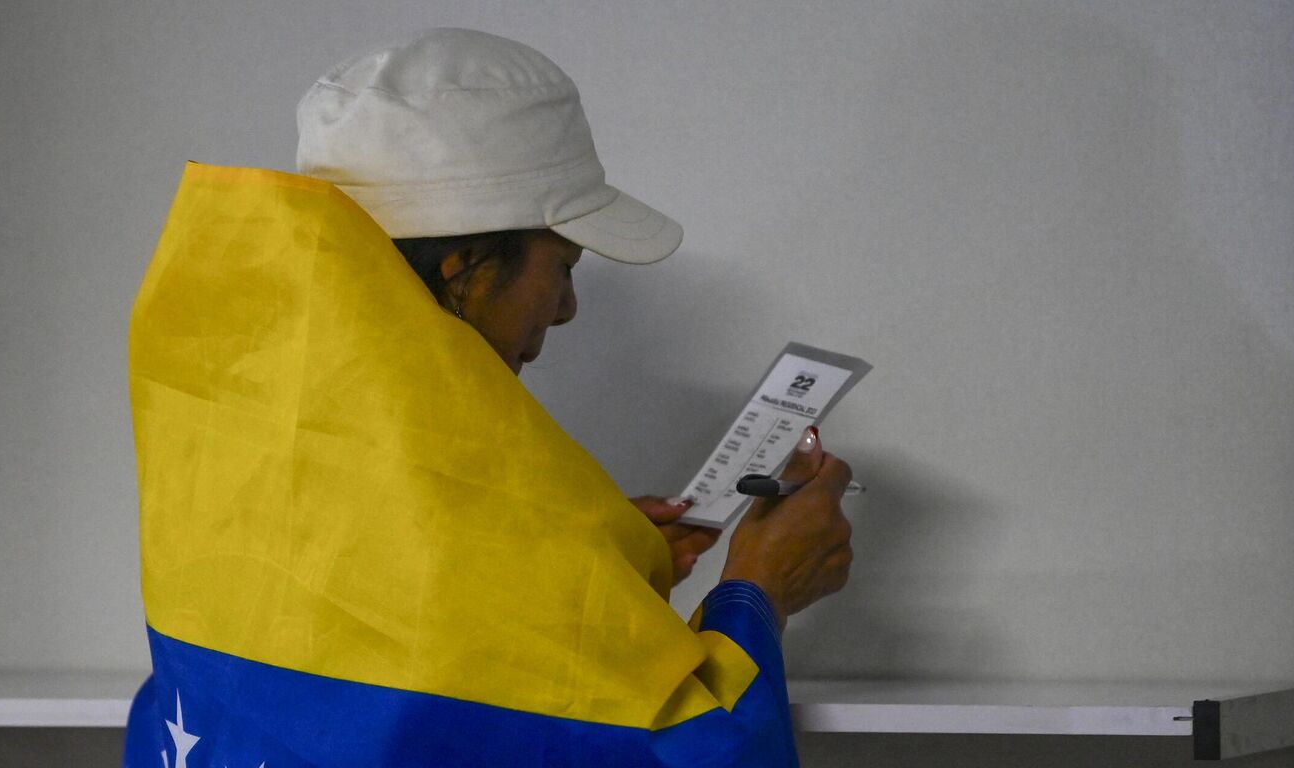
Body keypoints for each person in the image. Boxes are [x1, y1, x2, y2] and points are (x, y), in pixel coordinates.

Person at [124, 28, 853, 767]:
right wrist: (759, 591)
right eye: (561, 265)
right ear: (463, 266)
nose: (566, 307)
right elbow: (684, 754)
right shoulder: (450, 503)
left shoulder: (221, 422)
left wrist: (571, 566)